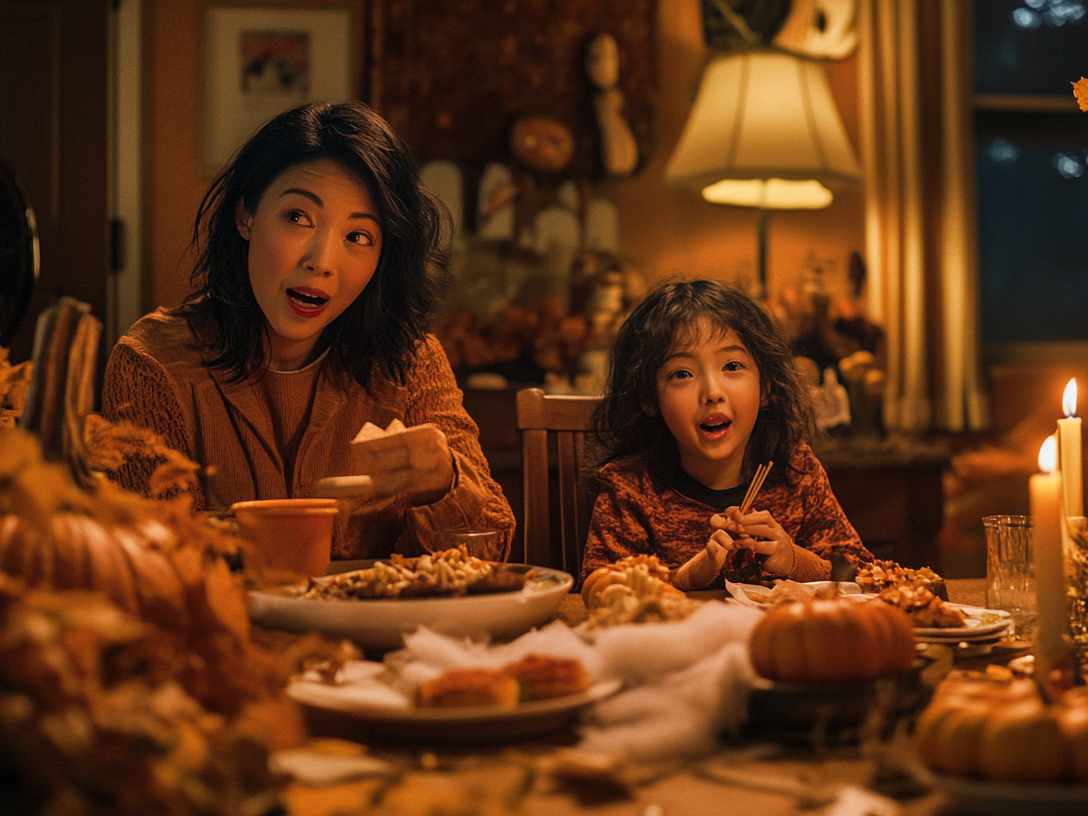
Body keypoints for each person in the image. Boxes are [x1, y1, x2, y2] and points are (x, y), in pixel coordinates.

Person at [102, 101, 514, 560]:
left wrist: (445, 483)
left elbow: (489, 548)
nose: (321, 261)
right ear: (246, 216)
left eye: (358, 237)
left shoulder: (408, 362)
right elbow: (148, 562)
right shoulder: (152, 364)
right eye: (299, 218)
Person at [581, 278, 874, 590]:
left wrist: (794, 560)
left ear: (766, 387)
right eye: (682, 374)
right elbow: (599, 590)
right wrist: (684, 578)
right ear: (649, 399)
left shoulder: (794, 469)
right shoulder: (632, 487)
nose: (712, 392)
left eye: (732, 366)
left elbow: (867, 576)